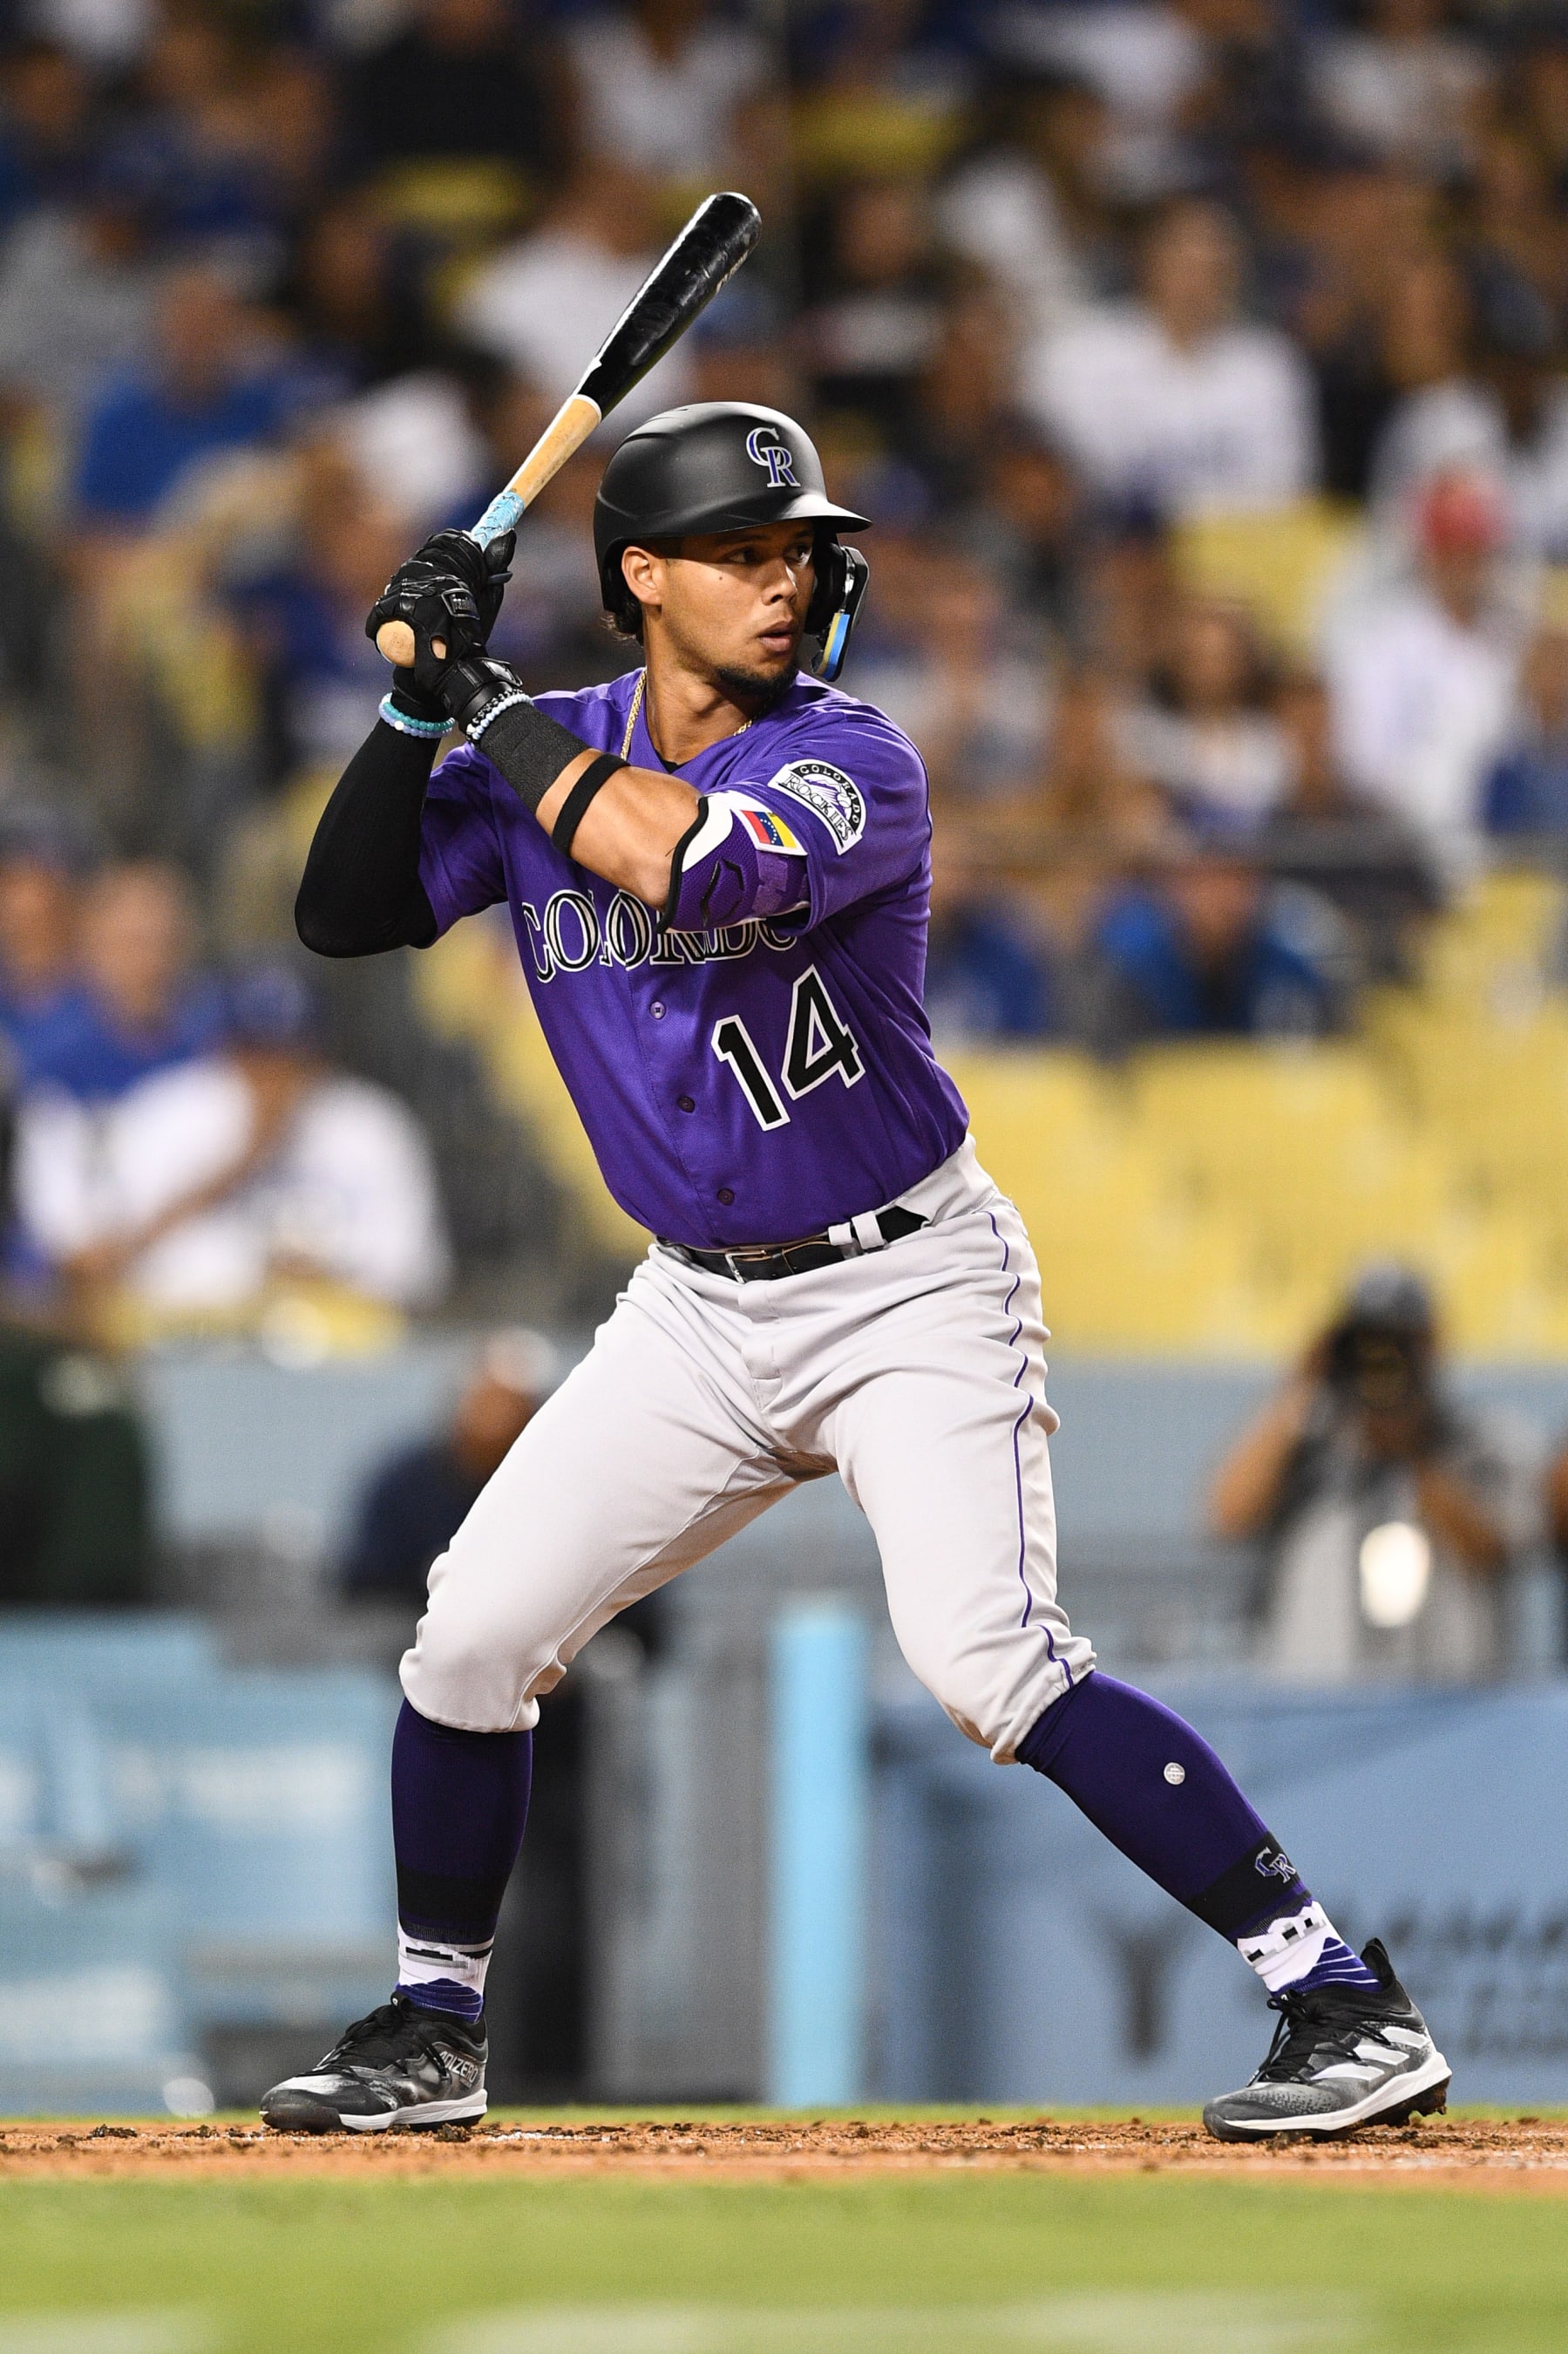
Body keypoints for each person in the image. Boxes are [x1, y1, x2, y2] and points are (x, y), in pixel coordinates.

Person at [265, 398, 1448, 2140]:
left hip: (907, 1284)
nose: (784, 580)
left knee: (988, 1661)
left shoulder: (848, 759)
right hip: (694, 1301)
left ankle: (1337, 1999)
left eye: (796, 551)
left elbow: (678, 867)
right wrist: (406, 703)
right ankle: (433, 2024)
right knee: (465, 1640)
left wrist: (485, 704)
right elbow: (342, 909)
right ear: (641, 579)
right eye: (739, 554)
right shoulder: (549, 748)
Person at [17, 963, 450, 1329]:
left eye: (292, 1053)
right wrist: (238, 1164)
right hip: (189, 1339)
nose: (275, 1072)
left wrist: (326, 1276)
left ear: (319, 1056)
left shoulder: (370, 1127)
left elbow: (416, 1273)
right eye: (258, 1052)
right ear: (226, 1049)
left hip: (331, 1349)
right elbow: (105, 1264)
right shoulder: (167, 1112)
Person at [1211, 1266, 1543, 1684]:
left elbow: (1497, 1548)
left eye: (1400, 1344)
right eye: (1366, 1343)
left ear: (1431, 1347)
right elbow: (1230, 1516)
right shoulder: (1307, 1445)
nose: (1382, 1362)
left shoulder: (1480, 1441)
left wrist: (1415, 1453)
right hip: (1315, 1711)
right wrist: (1300, 1385)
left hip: (1455, 1712)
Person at [1021, 197, 1318, 517]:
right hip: (1114, 548)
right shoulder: (1077, 355)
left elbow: (1287, 491)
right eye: (1185, 261)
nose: (1199, 281)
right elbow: (1059, 482)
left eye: (1214, 265)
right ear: (1148, 260)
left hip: (1237, 551)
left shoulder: (1268, 363)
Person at [342, 1330, 557, 1609]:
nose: (495, 1418)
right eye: (487, 1399)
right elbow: (364, 1585)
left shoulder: (555, 1493)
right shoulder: (403, 1483)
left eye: (511, 1405)